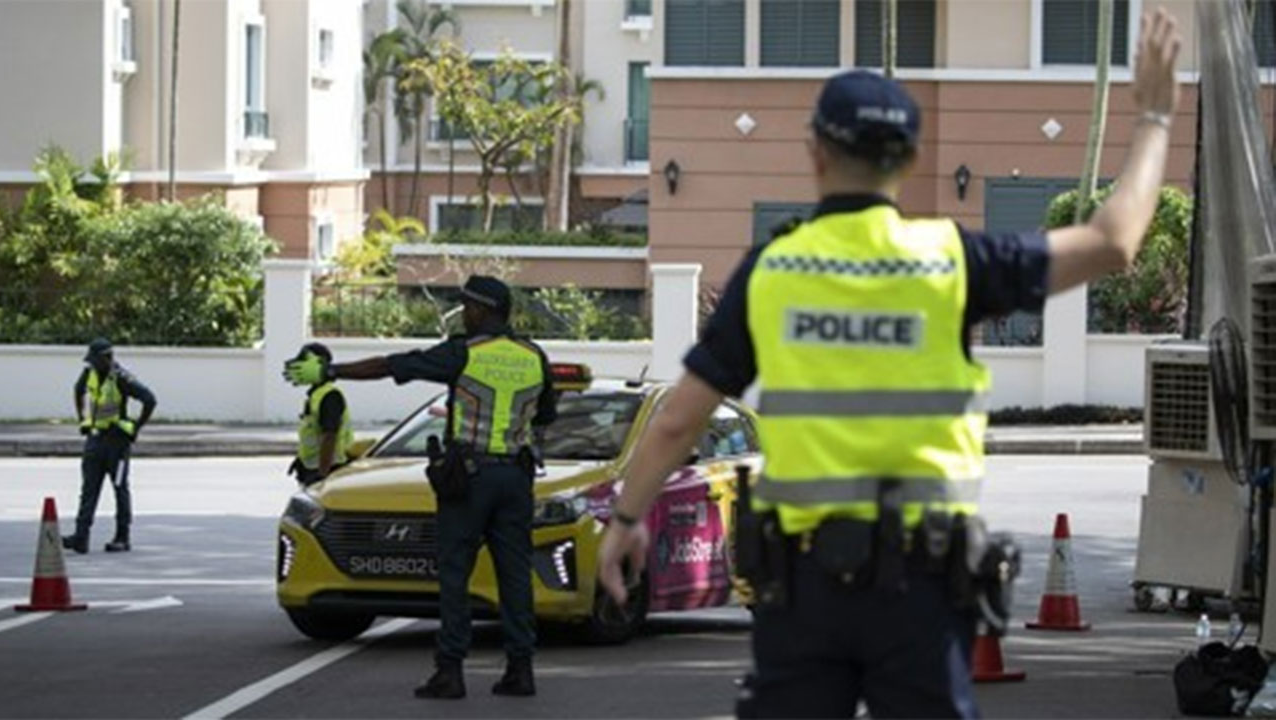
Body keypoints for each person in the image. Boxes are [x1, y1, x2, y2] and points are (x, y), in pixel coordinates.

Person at [597, 9, 1181, 719]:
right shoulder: (952, 261)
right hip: (921, 588)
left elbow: (678, 421)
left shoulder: (773, 271)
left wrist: (627, 518)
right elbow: (1113, 241)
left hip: (803, 587)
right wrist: (1152, 115)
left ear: (815, 151)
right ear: (908, 160)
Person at [282, 275, 556, 700]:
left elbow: (395, 365)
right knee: (514, 576)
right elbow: (544, 416)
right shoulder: (535, 356)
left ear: (483, 310)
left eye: (467, 305)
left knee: (454, 573)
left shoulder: (464, 352)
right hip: (515, 478)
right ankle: (521, 670)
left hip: (469, 478)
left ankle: (450, 673)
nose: (462, 313)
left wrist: (333, 370)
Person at [63, 338, 158, 554]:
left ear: (107, 358)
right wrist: (82, 419)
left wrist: (136, 427)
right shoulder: (90, 373)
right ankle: (81, 537)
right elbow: (78, 391)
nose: (92, 364)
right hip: (95, 440)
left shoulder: (122, 378)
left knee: (119, 488)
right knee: (88, 489)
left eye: (96, 360)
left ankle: (122, 537)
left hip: (118, 444)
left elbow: (150, 399)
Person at [287, 342, 354, 487]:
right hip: (312, 470)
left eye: (304, 360)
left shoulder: (329, 396)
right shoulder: (316, 395)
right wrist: (301, 461)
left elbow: (329, 436)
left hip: (328, 471)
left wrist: (322, 475)